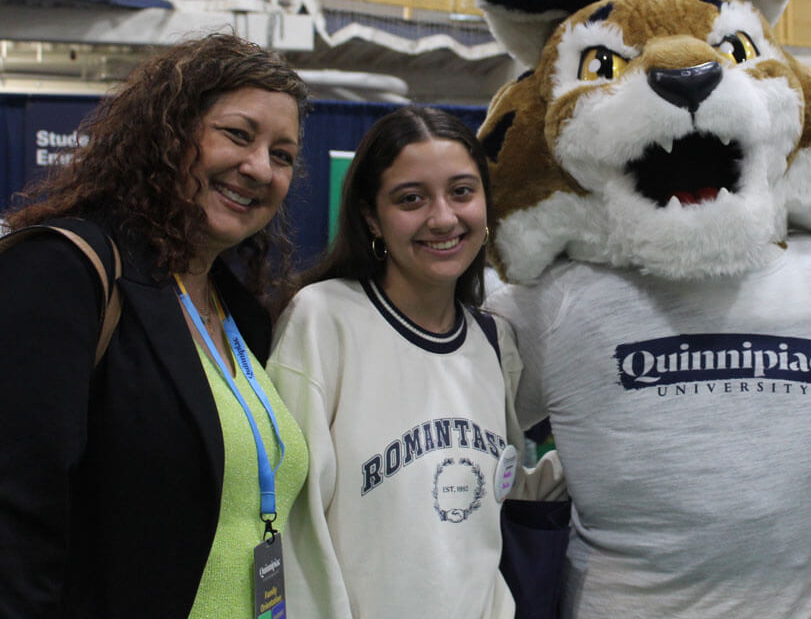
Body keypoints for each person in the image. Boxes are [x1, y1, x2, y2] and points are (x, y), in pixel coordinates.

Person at [0, 32, 312, 617]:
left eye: (283, 154)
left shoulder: (240, 312)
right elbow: (14, 527)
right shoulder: (65, 271)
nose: (258, 168)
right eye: (238, 135)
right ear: (166, 134)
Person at [268, 106, 564, 619]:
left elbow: (503, 491)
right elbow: (292, 524)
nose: (444, 218)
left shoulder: (493, 342)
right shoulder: (324, 321)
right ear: (370, 216)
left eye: (462, 192)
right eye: (412, 199)